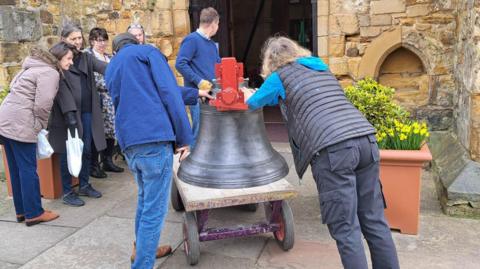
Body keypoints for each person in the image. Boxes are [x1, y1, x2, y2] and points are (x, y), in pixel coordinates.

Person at [241, 36, 400, 269]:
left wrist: (246, 94)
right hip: (365, 139)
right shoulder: (319, 66)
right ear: (296, 51)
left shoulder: (278, 77)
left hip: (333, 150)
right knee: (374, 221)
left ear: (271, 62)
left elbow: (253, 103)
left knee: (346, 229)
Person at [105, 33, 213, 269]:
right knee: (154, 211)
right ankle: (142, 264)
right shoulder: (147, 53)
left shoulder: (112, 66)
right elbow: (169, 93)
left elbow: (149, 93)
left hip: (130, 144)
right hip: (154, 140)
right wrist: (184, 137)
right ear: (137, 42)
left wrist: (196, 94)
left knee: (145, 201)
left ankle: (143, 250)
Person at [0, 42, 75, 226]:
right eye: (69, 58)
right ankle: (34, 213)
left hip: (5, 120)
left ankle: (22, 212)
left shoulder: (31, 67)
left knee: (16, 169)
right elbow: (43, 103)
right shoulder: (50, 72)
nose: (71, 62)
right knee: (28, 169)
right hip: (20, 123)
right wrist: (38, 127)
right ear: (58, 58)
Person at [48, 23, 107, 207]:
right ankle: (67, 191)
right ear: (63, 39)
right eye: (73, 38)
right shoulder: (57, 58)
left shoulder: (86, 57)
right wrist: (69, 112)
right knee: (69, 150)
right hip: (68, 113)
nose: (78, 42)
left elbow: (104, 67)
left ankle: (84, 184)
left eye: (80, 38)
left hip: (88, 110)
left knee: (87, 148)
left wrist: (125, 65)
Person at [175, 7, 221, 148]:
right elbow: (180, 64)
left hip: (212, 94)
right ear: (213, 24)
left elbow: (218, 66)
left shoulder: (212, 44)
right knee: (199, 133)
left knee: (212, 134)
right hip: (198, 96)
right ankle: (194, 165)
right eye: (217, 24)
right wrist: (199, 81)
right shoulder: (191, 40)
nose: (217, 28)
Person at [86, 27, 124, 178]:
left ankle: (107, 160)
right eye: (98, 40)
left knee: (112, 131)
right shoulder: (87, 56)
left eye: (104, 40)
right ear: (91, 41)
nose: (101, 43)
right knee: (98, 132)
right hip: (98, 98)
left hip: (112, 99)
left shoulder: (110, 57)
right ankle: (94, 165)